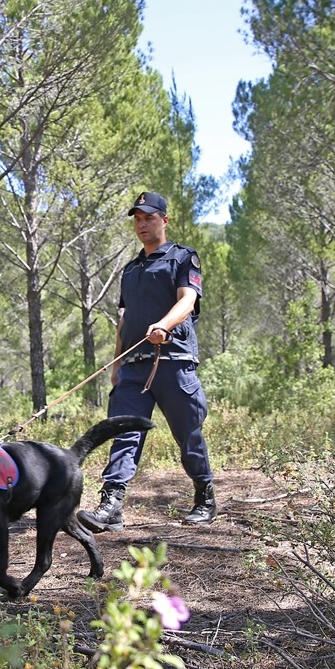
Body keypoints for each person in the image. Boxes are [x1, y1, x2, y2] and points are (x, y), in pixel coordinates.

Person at [77, 191, 216, 532]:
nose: (142, 223)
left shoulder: (184, 258)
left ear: (164, 220)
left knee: (188, 433)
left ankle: (205, 496)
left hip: (172, 361)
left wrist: (164, 325)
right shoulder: (131, 270)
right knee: (124, 431)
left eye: (149, 217)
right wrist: (115, 364)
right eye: (137, 218)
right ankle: (111, 505)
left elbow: (188, 301)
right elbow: (124, 321)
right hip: (134, 366)